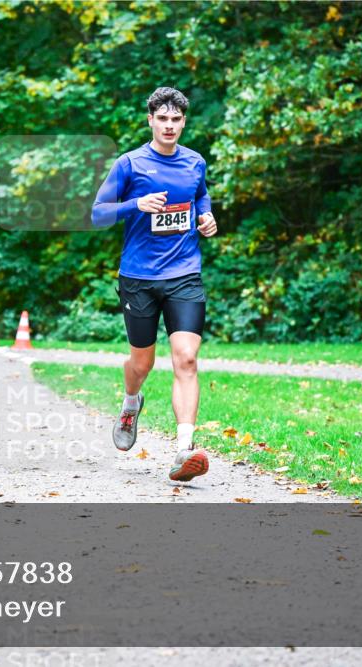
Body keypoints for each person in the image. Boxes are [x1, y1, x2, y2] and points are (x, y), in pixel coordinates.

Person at [91, 86, 219, 483]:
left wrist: (207, 217)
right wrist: (136, 205)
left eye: (176, 119)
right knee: (142, 362)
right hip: (139, 278)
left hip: (184, 273)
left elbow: (200, 197)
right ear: (150, 120)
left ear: (184, 121)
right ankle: (132, 402)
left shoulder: (194, 162)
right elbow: (97, 214)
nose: (169, 126)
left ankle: (184, 450)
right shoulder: (129, 164)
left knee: (186, 358)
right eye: (162, 119)